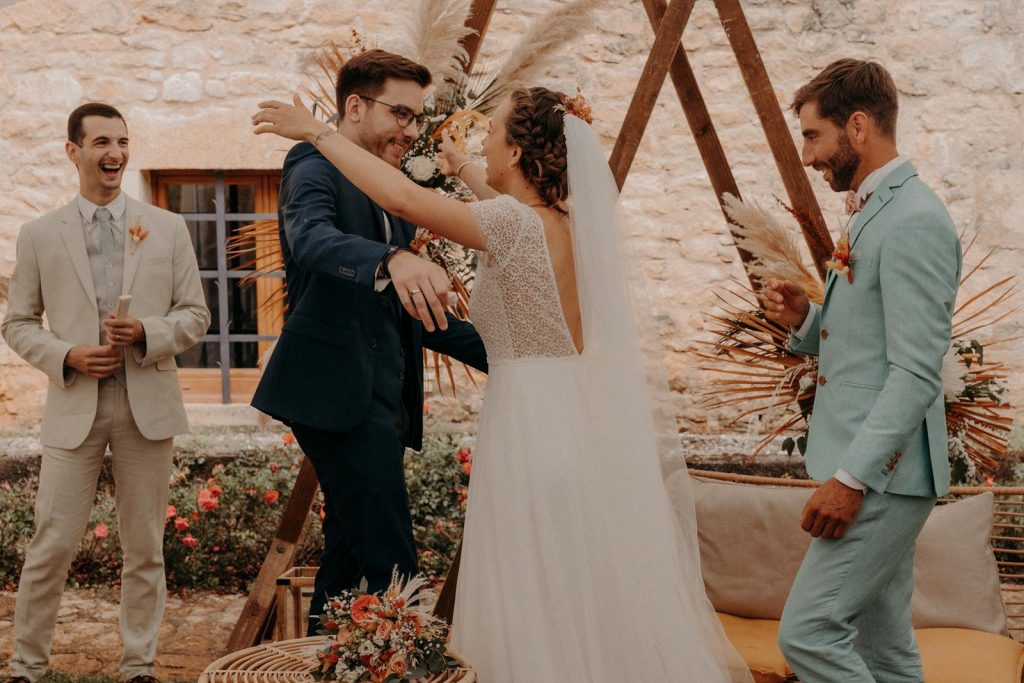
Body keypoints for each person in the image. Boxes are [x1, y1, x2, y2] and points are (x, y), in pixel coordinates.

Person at [252, 86, 751, 681]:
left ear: (516, 153)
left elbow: (403, 198)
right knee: (568, 582)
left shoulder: (512, 226)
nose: (484, 142)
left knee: (531, 580)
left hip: (531, 428)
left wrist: (317, 132)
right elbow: (502, 208)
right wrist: (462, 165)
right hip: (569, 416)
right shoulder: (561, 224)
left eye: (492, 135)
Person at [248, 49, 487, 636]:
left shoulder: (395, 184)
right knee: (389, 555)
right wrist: (392, 258)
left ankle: (320, 662)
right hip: (333, 393)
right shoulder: (311, 163)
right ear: (354, 106)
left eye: (415, 119)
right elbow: (311, 239)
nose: (411, 131)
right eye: (401, 115)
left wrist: (506, 354)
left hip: (380, 396)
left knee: (351, 553)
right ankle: (400, 662)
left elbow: (414, 307)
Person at [764, 59, 961, 682]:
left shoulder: (915, 220)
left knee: (810, 636)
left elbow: (915, 372)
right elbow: (873, 345)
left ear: (856, 126)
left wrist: (850, 480)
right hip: (878, 468)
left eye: (813, 136)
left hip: (882, 474)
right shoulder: (877, 208)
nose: (806, 156)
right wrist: (808, 320)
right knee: (885, 653)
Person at [2, 102, 210, 683]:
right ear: (74, 152)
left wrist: (149, 331)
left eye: (121, 141)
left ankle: (138, 665)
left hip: (148, 405)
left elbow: (196, 314)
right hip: (74, 406)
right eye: (100, 142)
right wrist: (66, 354)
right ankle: (26, 666)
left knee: (144, 548)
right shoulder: (40, 234)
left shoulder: (167, 227)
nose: (114, 153)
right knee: (51, 545)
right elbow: (17, 323)